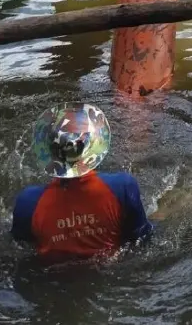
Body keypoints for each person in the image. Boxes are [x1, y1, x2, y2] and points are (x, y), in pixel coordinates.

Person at [12, 105, 154, 259]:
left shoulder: (28, 203)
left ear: (49, 153)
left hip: (53, 276)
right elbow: (141, 239)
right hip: (109, 271)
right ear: (91, 147)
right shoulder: (123, 187)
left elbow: (22, 248)